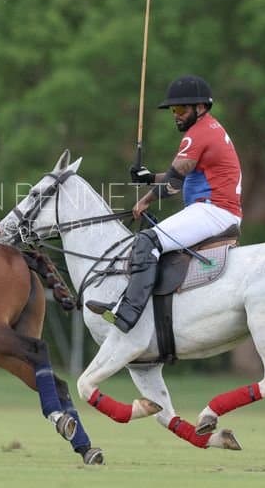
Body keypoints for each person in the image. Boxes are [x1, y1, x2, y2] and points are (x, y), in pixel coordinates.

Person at [85, 74, 243, 333]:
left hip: (212, 210)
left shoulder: (198, 134)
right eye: (173, 110)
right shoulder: (211, 129)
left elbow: (173, 184)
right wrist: (149, 178)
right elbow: (181, 174)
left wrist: (145, 200)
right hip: (216, 210)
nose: (176, 115)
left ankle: (127, 312)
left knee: (148, 241)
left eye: (181, 109)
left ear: (200, 107)